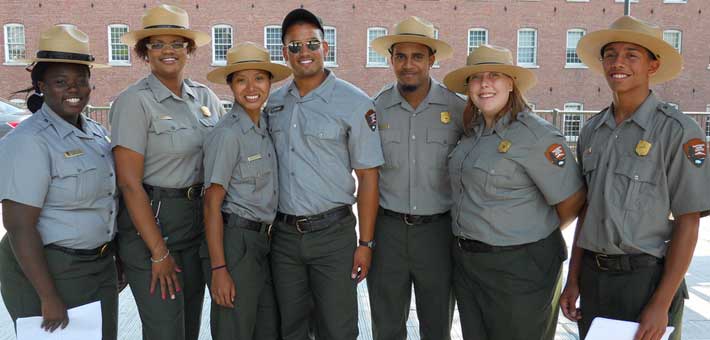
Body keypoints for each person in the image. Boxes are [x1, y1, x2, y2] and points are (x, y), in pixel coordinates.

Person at [559, 16, 710, 340]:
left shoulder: (678, 131)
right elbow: (588, 212)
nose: (618, 63)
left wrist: (661, 302)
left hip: (647, 280)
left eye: (631, 55)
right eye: (610, 54)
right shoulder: (592, 131)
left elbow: (689, 221)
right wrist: (573, 279)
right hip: (594, 280)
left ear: (652, 66)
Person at [442, 44, 586, 340]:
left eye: (495, 75)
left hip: (520, 268)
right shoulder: (472, 132)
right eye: (476, 77)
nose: (484, 84)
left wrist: (525, 234)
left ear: (511, 83)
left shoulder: (537, 136)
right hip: (470, 266)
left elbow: (573, 200)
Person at [265, 8, 384, 340]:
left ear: (326, 47)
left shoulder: (355, 103)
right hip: (285, 237)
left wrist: (366, 243)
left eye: (311, 43)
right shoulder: (274, 104)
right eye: (294, 46)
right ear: (285, 52)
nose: (304, 52)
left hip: (333, 236)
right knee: (290, 327)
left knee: (338, 328)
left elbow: (369, 177)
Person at [109, 4, 222, 340]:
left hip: (196, 224)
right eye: (157, 44)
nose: (168, 51)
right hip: (153, 226)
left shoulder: (205, 97)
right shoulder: (134, 102)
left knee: (188, 327)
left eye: (177, 43)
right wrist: (158, 252)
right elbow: (129, 185)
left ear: (189, 49)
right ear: (145, 52)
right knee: (165, 330)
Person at [0, 25, 117, 339]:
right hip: (50, 270)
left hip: (97, 266)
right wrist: (48, 296)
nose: (73, 89)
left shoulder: (95, 132)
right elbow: (19, 225)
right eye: (60, 82)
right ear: (41, 85)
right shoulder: (28, 142)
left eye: (81, 80)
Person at [367, 16, 464, 340]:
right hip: (388, 231)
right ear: (392, 59)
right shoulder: (376, 108)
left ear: (431, 60)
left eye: (417, 56)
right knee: (386, 324)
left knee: (436, 326)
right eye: (401, 56)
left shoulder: (459, 110)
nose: (408, 65)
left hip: (438, 233)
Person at [200, 42, 291, 340]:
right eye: (241, 79)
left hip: (265, 243)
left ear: (270, 82)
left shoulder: (265, 126)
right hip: (236, 243)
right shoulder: (227, 135)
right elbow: (212, 204)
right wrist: (219, 268)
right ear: (230, 85)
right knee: (234, 330)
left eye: (259, 79)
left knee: (266, 329)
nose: (251, 88)